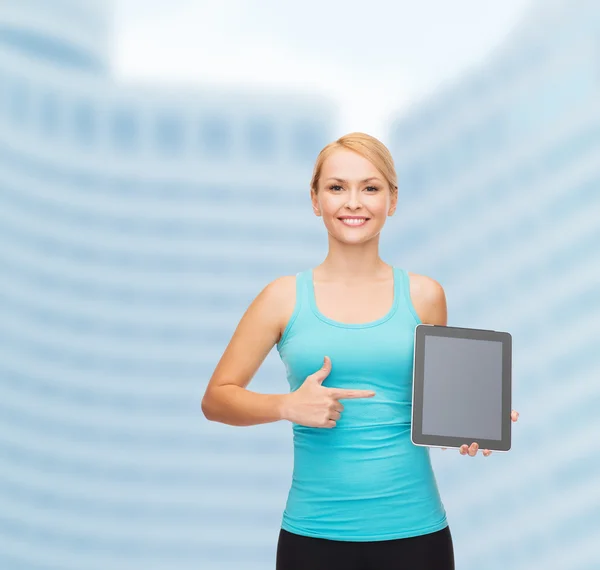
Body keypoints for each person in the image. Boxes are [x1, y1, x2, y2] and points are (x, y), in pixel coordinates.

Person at [201, 132, 519, 570]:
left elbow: (433, 410)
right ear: (315, 200)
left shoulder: (426, 296)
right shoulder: (282, 298)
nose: (354, 202)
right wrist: (287, 405)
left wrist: (473, 423)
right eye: (337, 187)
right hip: (312, 539)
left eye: (370, 187)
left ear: (392, 199)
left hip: (417, 536)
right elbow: (216, 398)